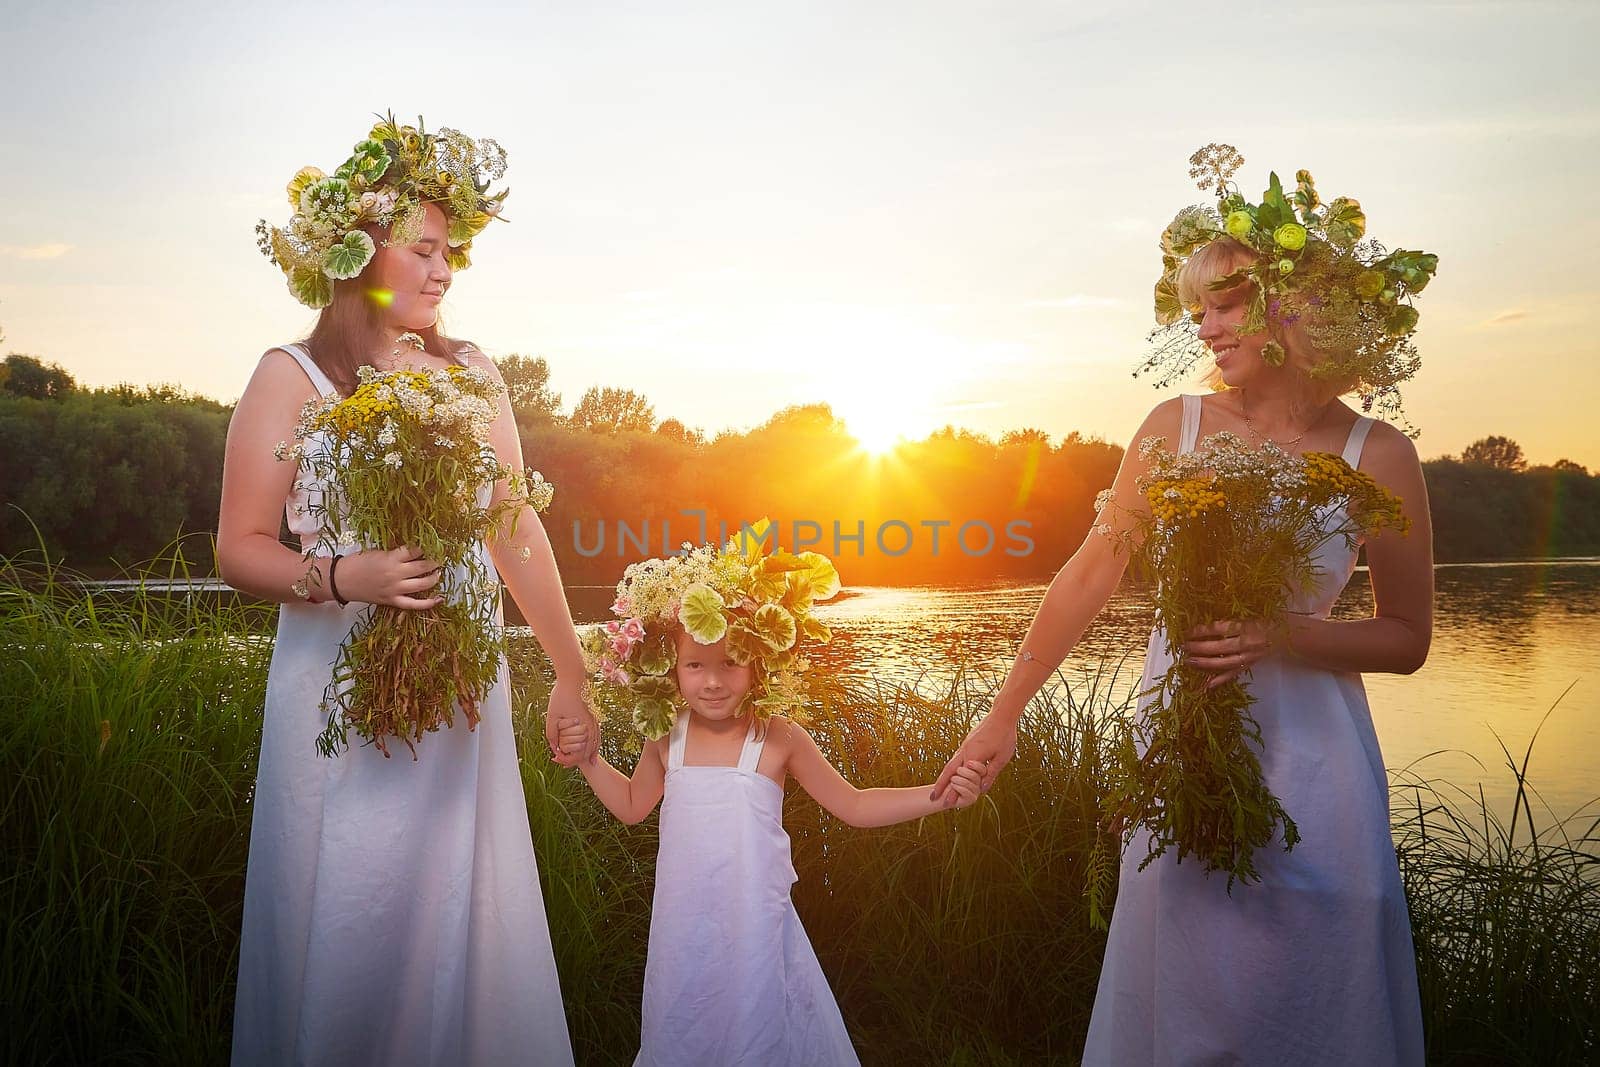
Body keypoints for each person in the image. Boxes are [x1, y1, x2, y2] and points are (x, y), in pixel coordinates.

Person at [932, 145, 1436, 1065]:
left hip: (1319, 773)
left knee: (1317, 993)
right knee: (1193, 996)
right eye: (1196, 308)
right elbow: (1092, 571)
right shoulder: (1177, 428)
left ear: (1292, 301)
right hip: (1184, 757)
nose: (1204, 327)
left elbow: (1408, 640)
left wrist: (1284, 633)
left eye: (1224, 303)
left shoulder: (1378, 452)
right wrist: (1004, 711)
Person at [218, 115, 597, 1066]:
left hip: (464, 695)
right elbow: (238, 548)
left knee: (454, 907)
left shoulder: (474, 374)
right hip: (336, 697)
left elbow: (516, 528)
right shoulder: (291, 377)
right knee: (349, 902)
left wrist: (570, 672)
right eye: (422, 249)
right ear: (357, 253)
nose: (443, 272)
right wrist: (347, 576)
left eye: (449, 254)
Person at [560, 541, 985, 1066]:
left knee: (758, 1027)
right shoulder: (667, 734)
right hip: (682, 927)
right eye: (695, 665)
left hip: (755, 922)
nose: (712, 681)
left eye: (730, 664)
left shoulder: (777, 736)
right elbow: (630, 805)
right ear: (672, 668)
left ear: (758, 662)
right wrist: (587, 761)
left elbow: (853, 805)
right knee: (683, 1022)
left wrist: (937, 798)